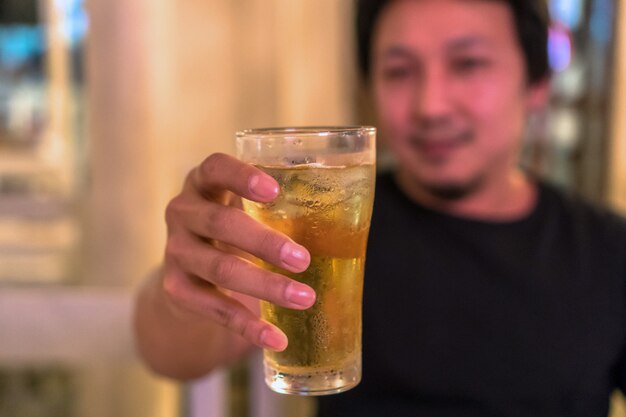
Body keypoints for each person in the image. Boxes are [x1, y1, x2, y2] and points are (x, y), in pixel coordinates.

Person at [134, 0, 626, 415]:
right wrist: (184, 286)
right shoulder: (319, 223)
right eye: (398, 71)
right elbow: (170, 354)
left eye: (468, 64)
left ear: (536, 85)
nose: (430, 105)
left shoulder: (609, 251)